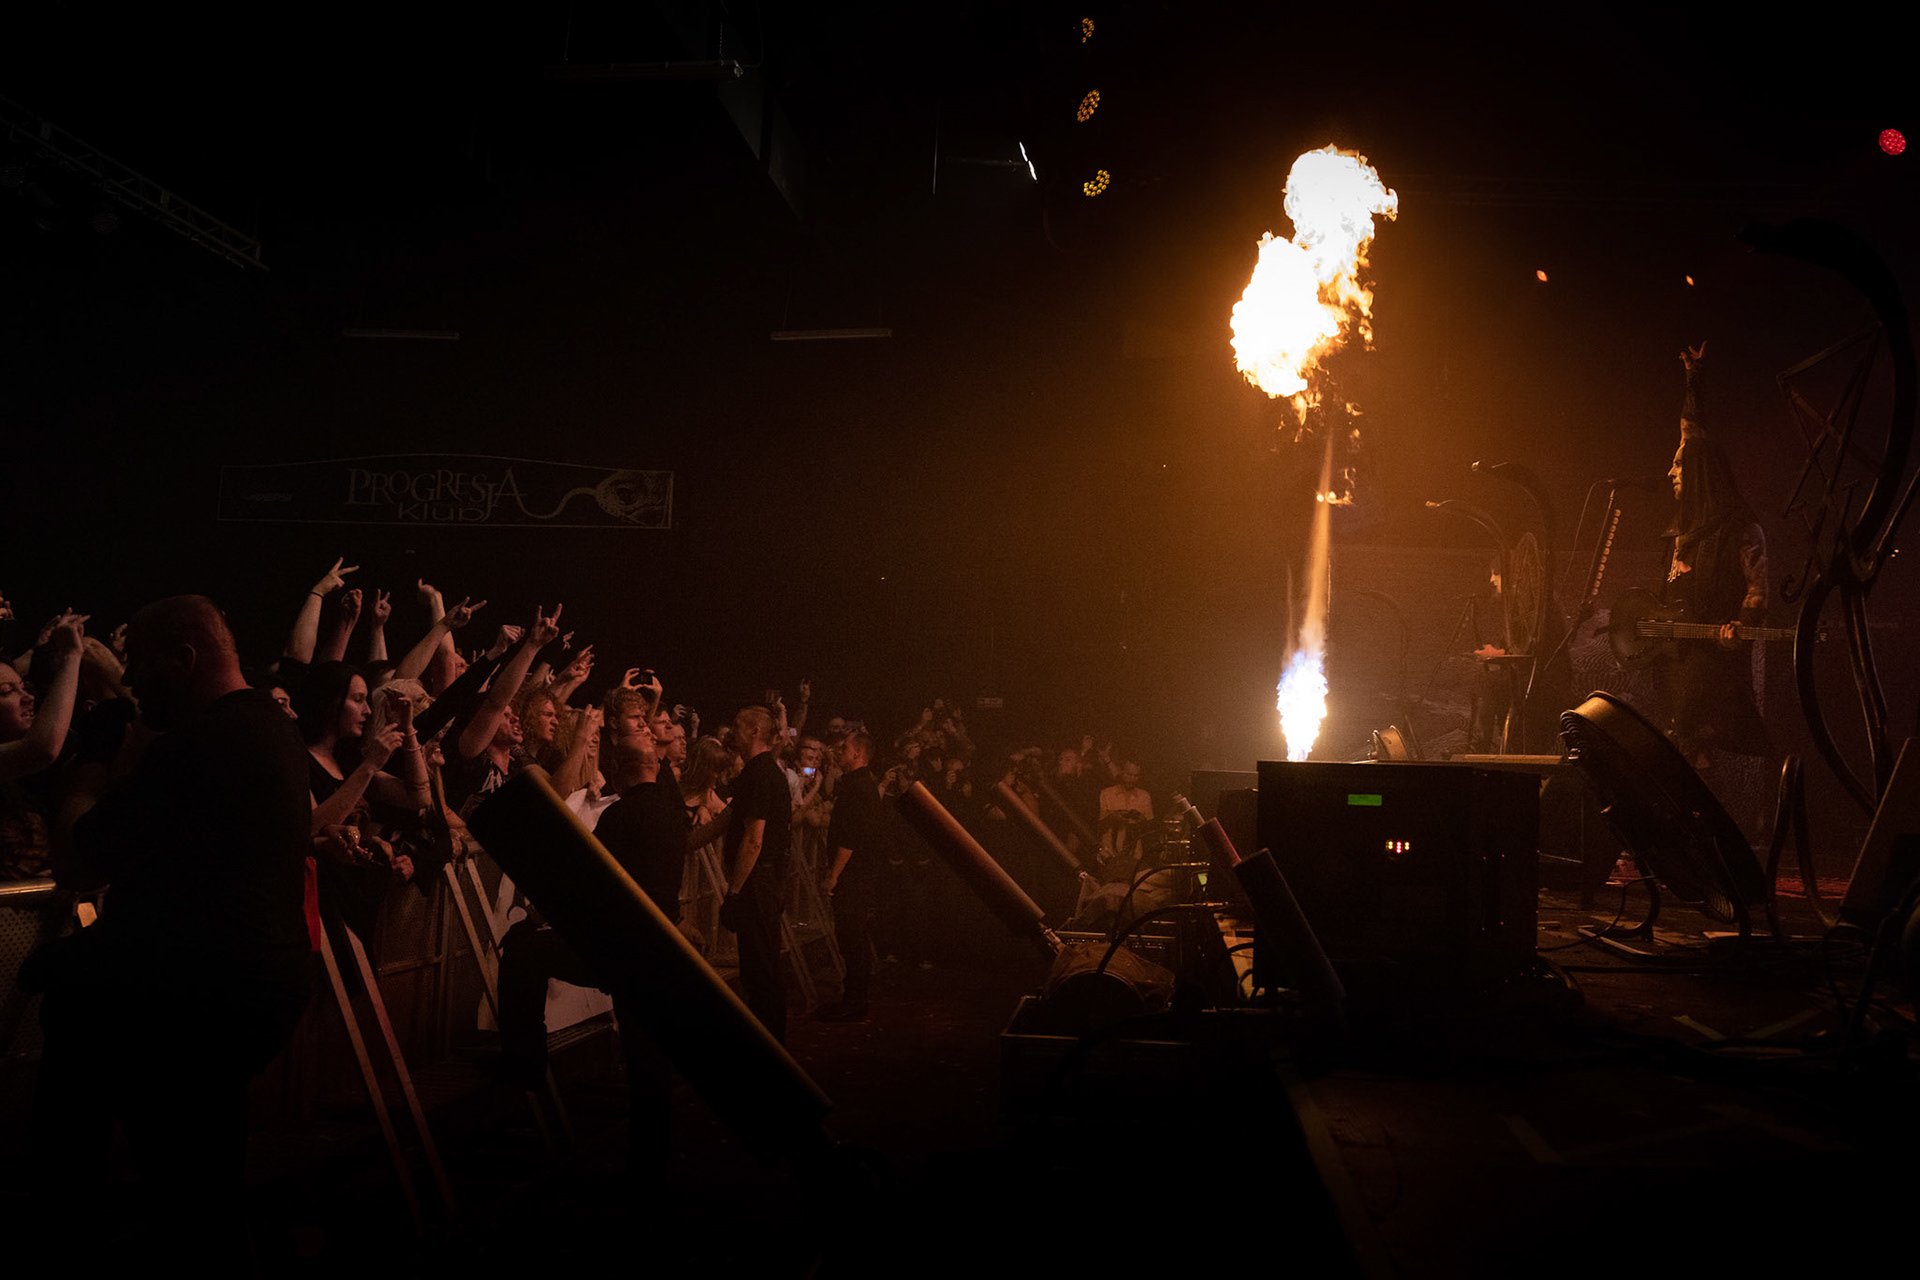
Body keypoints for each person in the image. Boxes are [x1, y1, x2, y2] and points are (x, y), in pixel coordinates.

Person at [27, 595, 312, 1267]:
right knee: (200, 1178)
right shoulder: (267, 726)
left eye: (140, 666)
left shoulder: (204, 745)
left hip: (193, 1003)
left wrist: (94, 760)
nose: (134, 683)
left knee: (181, 1183)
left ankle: (63, 1240)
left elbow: (76, 858)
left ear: (184, 660)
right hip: (251, 986)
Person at [1664, 344, 1771, 765]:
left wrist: (1739, 627)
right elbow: (1688, 433)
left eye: (1678, 465)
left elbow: (1758, 592)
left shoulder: (1741, 530)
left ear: (1702, 474)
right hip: (1676, 663)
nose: (1671, 472)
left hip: (1715, 676)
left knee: (1701, 752)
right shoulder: (1682, 532)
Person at [720, 704, 792, 1041]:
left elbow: (753, 839)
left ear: (754, 732)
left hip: (758, 881)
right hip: (763, 880)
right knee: (760, 966)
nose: (731, 730)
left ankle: (769, 1048)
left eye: (737, 725)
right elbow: (730, 818)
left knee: (760, 969)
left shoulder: (761, 773)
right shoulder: (759, 771)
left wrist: (734, 892)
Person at [817, 731, 881, 1022]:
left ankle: (855, 1000)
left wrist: (834, 874)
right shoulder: (861, 783)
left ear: (858, 754)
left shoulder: (858, 787)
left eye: (845, 748)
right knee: (852, 935)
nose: (839, 751)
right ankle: (855, 997)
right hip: (860, 872)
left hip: (853, 874)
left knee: (851, 935)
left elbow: (851, 838)